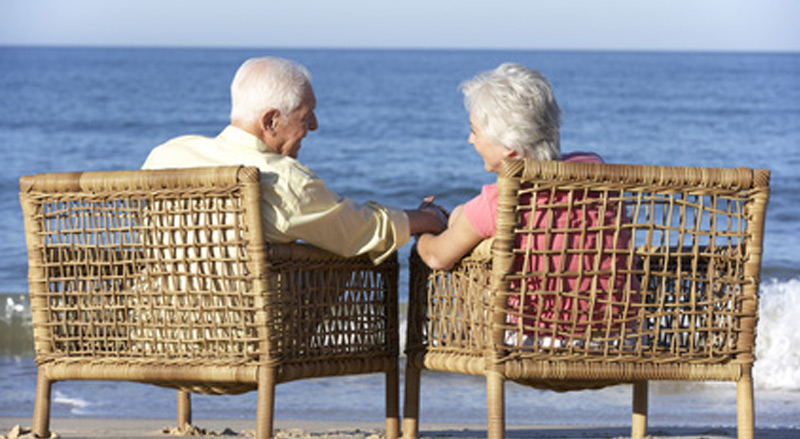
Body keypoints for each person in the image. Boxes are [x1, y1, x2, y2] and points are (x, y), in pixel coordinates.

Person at [143, 57, 446, 264]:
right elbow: (361, 232)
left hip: (155, 332)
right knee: (344, 253)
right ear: (271, 121)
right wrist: (428, 219)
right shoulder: (282, 179)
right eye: (305, 115)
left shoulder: (166, 154)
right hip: (245, 339)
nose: (314, 125)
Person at [416, 63, 637, 339]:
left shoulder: (502, 201)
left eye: (475, 131)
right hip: (618, 339)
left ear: (509, 147)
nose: (470, 139)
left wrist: (425, 226)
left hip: (538, 340)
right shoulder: (595, 169)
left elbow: (437, 257)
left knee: (475, 259)